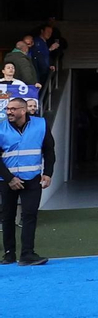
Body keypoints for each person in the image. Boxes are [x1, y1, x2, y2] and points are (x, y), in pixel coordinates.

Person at [0, 96, 53, 266]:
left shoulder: (41, 124)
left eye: (13, 109)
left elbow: (49, 150)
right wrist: (9, 178)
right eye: (8, 109)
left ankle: (27, 254)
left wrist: (48, 173)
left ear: (23, 110)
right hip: (6, 180)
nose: (9, 112)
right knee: (8, 217)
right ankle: (9, 254)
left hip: (32, 179)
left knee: (30, 215)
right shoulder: (1, 126)